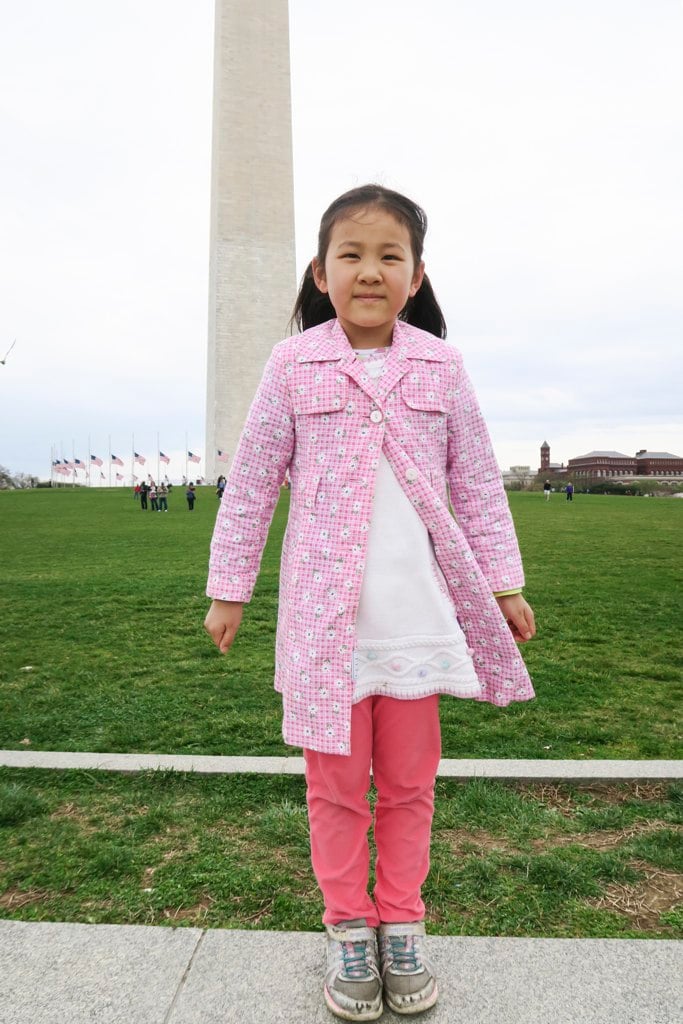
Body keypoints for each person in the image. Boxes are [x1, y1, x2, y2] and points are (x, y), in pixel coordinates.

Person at [204, 185, 536, 1021]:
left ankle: (402, 923)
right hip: (326, 628)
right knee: (336, 789)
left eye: (389, 256)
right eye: (351, 255)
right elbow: (250, 486)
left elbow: (478, 488)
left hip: (416, 621)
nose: (369, 271)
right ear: (320, 271)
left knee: (412, 785)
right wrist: (228, 591)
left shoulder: (440, 366)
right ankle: (347, 923)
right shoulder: (292, 364)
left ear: (417, 275)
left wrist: (504, 584)